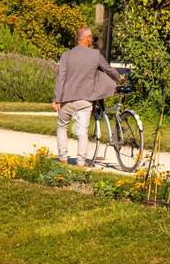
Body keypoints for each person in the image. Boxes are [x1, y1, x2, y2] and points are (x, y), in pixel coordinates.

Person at [53, 26, 123, 166]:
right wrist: (119, 78)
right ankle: (81, 162)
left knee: (62, 127)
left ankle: (63, 159)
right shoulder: (95, 55)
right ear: (87, 38)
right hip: (85, 100)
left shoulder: (66, 55)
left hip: (67, 99)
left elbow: (60, 78)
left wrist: (56, 99)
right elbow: (108, 70)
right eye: (91, 37)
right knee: (82, 131)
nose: (92, 40)